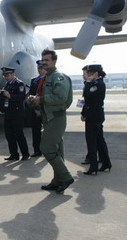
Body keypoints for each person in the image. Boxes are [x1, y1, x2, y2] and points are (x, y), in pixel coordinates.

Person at [29, 49, 74, 194]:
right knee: (57, 151)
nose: (44, 63)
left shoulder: (58, 77)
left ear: (54, 61)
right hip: (47, 117)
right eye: (42, 60)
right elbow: (44, 96)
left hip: (56, 117)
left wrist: (40, 99)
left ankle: (66, 177)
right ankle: (57, 180)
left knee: (47, 149)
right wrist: (33, 100)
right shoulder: (46, 78)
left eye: (47, 60)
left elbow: (61, 97)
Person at [81, 64, 112, 175]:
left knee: (92, 141)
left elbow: (87, 94)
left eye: (89, 73)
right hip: (93, 115)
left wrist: (88, 82)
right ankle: (106, 163)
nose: (87, 75)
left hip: (94, 116)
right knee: (99, 141)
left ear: (95, 73)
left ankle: (94, 166)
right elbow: (87, 100)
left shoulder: (98, 84)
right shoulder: (95, 83)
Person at [0, 67, 31, 161]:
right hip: (9, 112)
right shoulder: (7, 85)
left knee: (19, 134)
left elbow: (22, 97)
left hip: (17, 112)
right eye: (5, 75)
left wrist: (10, 96)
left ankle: (25, 154)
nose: (6, 77)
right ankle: (14, 154)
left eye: (8, 75)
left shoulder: (19, 83)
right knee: (9, 134)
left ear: (13, 74)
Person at [27, 60, 46, 157]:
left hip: (46, 108)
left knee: (48, 130)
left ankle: (49, 149)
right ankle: (37, 150)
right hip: (35, 108)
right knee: (35, 130)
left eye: (42, 68)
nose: (40, 70)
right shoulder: (34, 80)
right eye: (39, 68)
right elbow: (31, 92)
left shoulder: (49, 79)